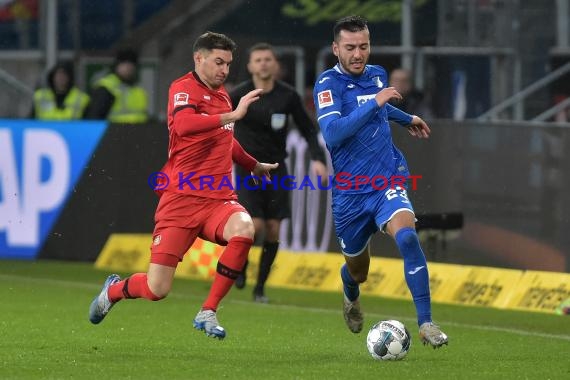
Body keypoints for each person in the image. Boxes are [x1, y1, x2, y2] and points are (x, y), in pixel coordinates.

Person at [88, 31, 278, 340]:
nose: (224, 70)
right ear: (198, 58)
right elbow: (185, 125)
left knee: (244, 229)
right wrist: (233, 114)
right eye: (218, 62)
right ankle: (112, 292)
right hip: (180, 200)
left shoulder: (222, 96)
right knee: (156, 288)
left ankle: (208, 310)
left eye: (228, 64)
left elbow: (225, 139)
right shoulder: (183, 88)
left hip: (217, 199)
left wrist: (252, 164)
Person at [313, 16, 448, 348]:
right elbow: (334, 132)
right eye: (350, 48)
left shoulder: (377, 75)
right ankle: (350, 293)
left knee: (407, 238)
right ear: (336, 49)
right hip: (349, 194)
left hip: (386, 179)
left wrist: (405, 118)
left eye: (364, 46)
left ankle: (426, 323)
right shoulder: (327, 84)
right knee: (358, 271)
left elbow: (381, 111)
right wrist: (377, 101)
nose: (358, 54)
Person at [229, 43, 328, 303]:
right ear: (250, 66)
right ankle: (238, 266)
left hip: (277, 170)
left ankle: (259, 288)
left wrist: (318, 159)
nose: (263, 64)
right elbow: (221, 126)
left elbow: (308, 129)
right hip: (247, 168)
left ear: (275, 65)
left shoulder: (288, 96)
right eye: (258, 59)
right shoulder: (238, 94)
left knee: (273, 229)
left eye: (267, 59)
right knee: (255, 225)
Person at [84, 48, 149, 123]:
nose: (128, 68)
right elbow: (94, 118)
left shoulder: (139, 91)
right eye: (124, 64)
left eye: (131, 64)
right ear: (117, 66)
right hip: (113, 132)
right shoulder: (107, 87)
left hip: (138, 133)